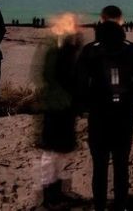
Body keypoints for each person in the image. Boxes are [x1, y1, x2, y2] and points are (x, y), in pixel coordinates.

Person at [75, 5, 133, 211]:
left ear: (101, 21)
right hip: (124, 115)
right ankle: (120, 206)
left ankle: (100, 207)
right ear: (121, 21)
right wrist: (132, 100)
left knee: (99, 167)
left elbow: (79, 83)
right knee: (121, 165)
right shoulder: (132, 49)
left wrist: (87, 104)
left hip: (99, 115)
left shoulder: (90, 50)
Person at [34, 13, 83, 208]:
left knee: (60, 150)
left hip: (62, 106)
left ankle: (58, 191)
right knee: (53, 151)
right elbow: (55, 76)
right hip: (56, 106)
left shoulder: (58, 49)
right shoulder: (54, 50)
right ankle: (50, 194)